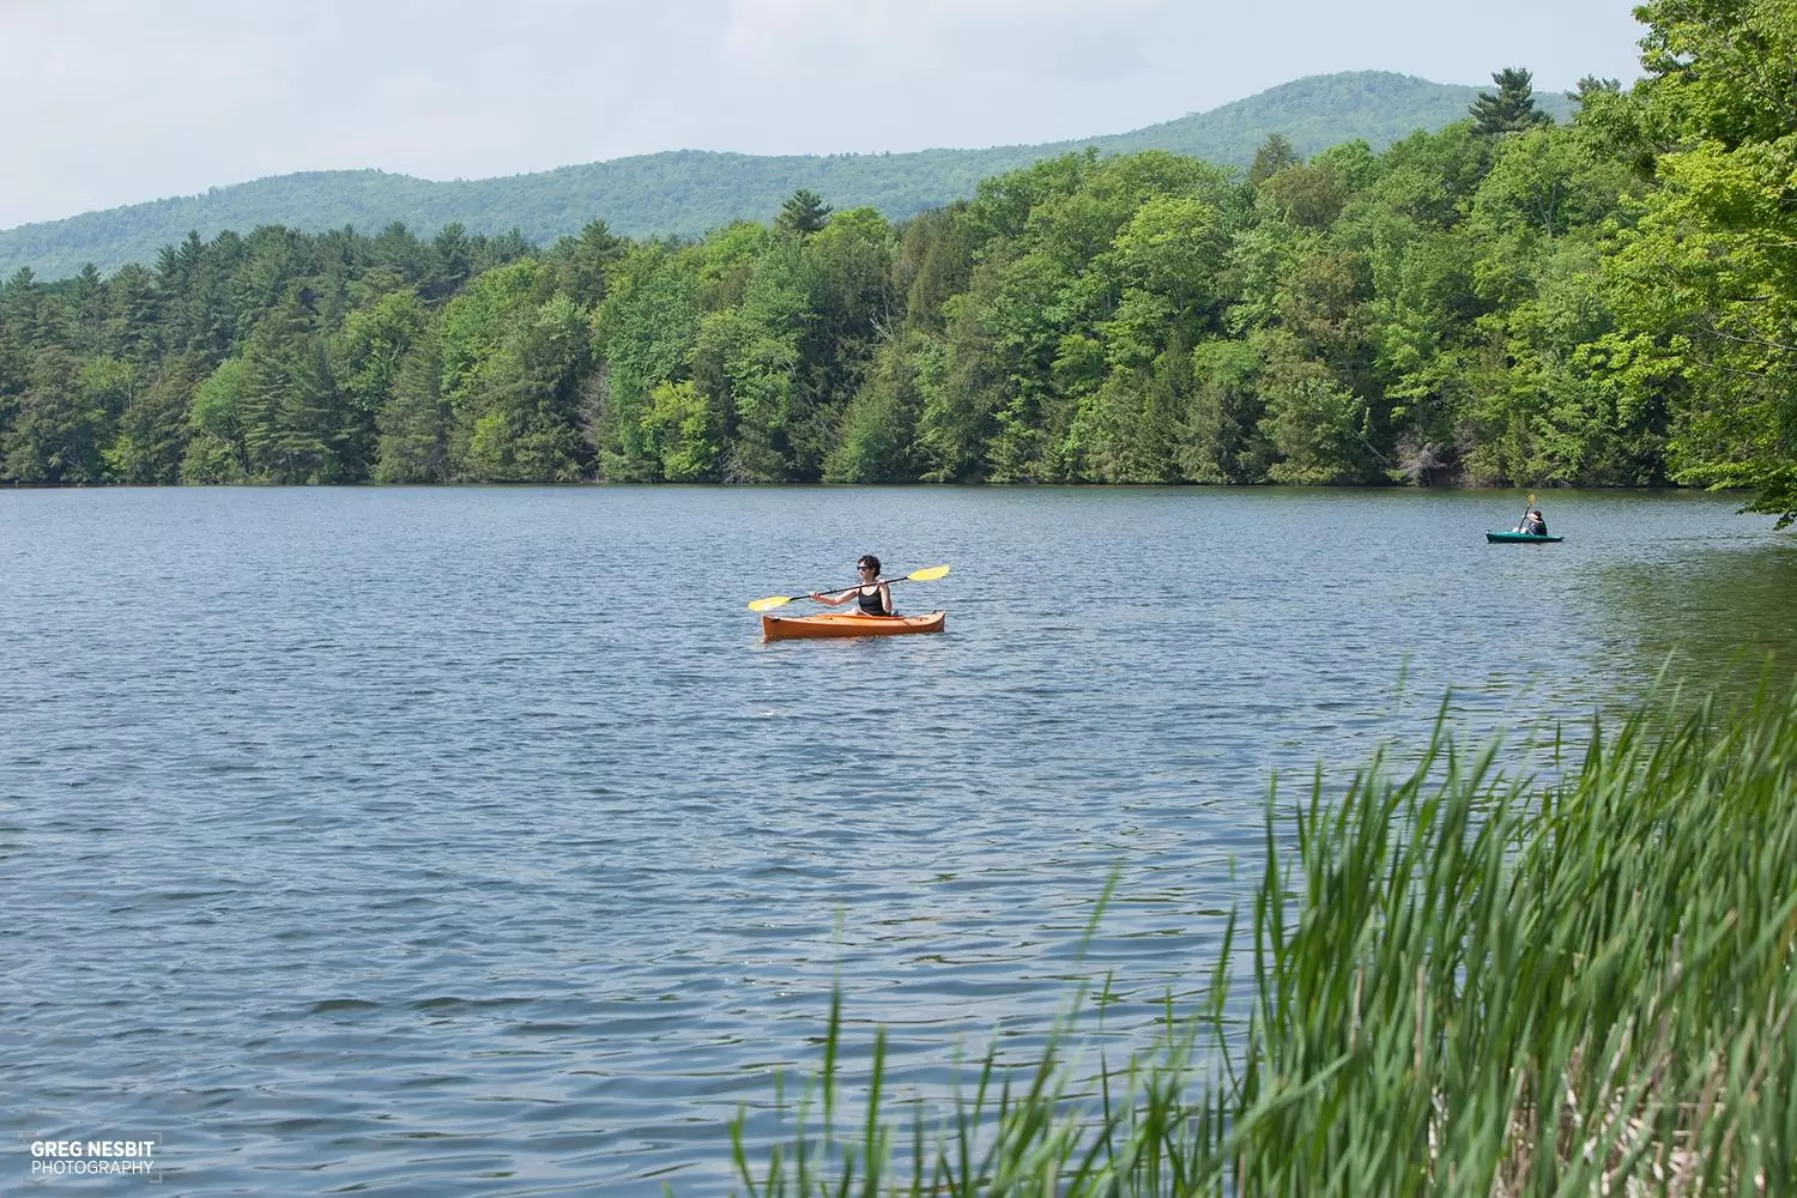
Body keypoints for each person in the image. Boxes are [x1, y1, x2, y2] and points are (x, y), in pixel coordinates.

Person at [810, 555, 893, 615]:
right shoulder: (858, 588)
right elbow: (835, 601)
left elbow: (887, 609)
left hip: (880, 619)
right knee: (847, 613)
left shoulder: (881, 587)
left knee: (855, 611)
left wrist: (885, 589)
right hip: (866, 619)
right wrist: (817, 598)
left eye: (864, 568)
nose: (860, 571)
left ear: (873, 570)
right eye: (858, 568)